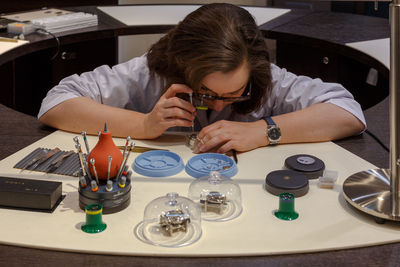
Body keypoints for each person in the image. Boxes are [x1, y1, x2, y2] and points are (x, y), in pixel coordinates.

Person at [38, 3, 365, 155]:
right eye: (205, 93)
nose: (219, 104)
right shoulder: (151, 73)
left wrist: (263, 131)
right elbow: (56, 104)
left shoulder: (265, 79)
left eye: (234, 94)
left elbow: (347, 112)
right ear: (182, 69)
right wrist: (144, 126)